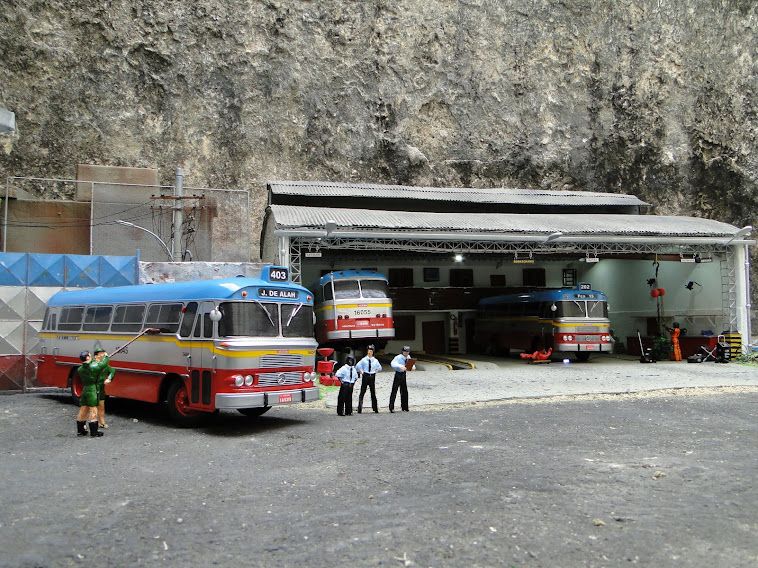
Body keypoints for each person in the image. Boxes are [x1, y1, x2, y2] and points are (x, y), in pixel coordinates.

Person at [75, 351, 110, 437]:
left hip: (85, 389)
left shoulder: (80, 369)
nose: (90, 356)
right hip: (92, 389)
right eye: (89, 355)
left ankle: (81, 430)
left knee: (83, 408)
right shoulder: (93, 367)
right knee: (93, 410)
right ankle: (94, 431)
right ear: (87, 357)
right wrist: (106, 357)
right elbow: (103, 365)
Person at [355, 344, 382, 413]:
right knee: (362, 391)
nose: (369, 352)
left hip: (372, 376)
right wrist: (361, 371)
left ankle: (375, 408)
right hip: (366, 375)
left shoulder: (375, 360)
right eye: (368, 351)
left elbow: (379, 368)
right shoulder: (364, 360)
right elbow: (357, 366)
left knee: (373, 392)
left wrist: (375, 372)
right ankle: (359, 408)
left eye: (371, 351)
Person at [93, 348, 115, 429]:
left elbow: (112, 371)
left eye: (103, 353)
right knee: (92, 407)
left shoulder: (105, 366)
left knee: (101, 405)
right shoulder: (93, 364)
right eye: (101, 353)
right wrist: (107, 358)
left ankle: (101, 422)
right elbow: (101, 366)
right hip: (94, 388)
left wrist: (109, 378)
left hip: (101, 387)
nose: (103, 355)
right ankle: (92, 422)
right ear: (96, 356)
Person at [389, 346, 415, 413]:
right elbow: (393, 363)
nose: (406, 353)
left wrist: (413, 367)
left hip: (404, 374)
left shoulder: (408, 357)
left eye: (407, 352)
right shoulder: (398, 357)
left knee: (404, 391)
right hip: (398, 374)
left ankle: (405, 407)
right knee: (394, 390)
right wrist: (400, 366)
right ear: (403, 352)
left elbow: (412, 364)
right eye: (405, 352)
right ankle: (391, 407)